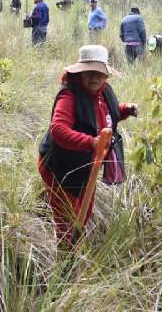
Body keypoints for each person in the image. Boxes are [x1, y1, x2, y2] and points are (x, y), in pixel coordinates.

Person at [37, 45, 138, 246]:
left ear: (106, 75)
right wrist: (91, 142)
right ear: (79, 72)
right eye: (88, 72)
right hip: (59, 168)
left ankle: (75, 251)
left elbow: (102, 115)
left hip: (86, 166)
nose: (94, 77)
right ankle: (66, 264)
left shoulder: (103, 92)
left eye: (98, 72)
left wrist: (124, 110)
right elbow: (58, 130)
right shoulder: (69, 96)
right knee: (68, 219)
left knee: (83, 215)